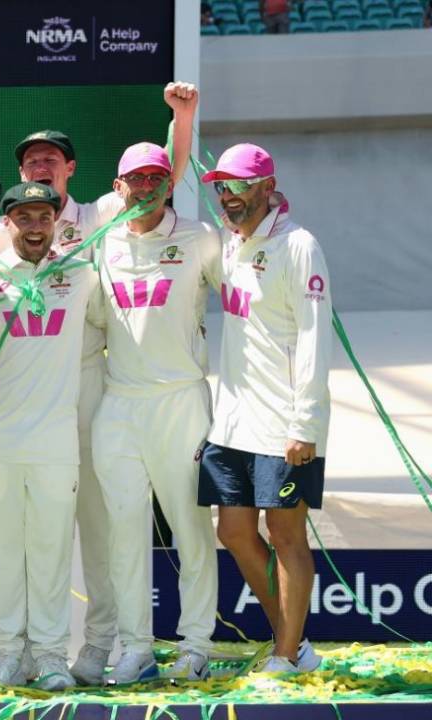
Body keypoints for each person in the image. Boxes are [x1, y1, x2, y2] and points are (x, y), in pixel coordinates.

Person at [5, 82, 199, 686]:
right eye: (31, 161)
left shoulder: (98, 217)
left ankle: (98, 646)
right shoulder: (10, 225)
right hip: (33, 387)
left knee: (99, 521)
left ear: (70, 169)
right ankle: (30, 648)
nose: (40, 166)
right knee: (37, 525)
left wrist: (183, 118)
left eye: (50, 158)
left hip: (92, 378)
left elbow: (163, 178)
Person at [93, 142, 221, 684]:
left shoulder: (200, 238)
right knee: (123, 533)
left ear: (170, 184)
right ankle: (136, 648)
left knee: (190, 528)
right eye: (135, 179)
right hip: (119, 402)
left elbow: (246, 301)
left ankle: (196, 646)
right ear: (117, 187)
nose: (145, 188)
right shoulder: (102, 241)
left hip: (180, 401)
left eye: (156, 178)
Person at [199, 144, 330, 674]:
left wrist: (306, 424)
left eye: (238, 185)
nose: (227, 196)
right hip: (232, 422)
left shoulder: (299, 245)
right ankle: (294, 643)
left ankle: (285, 654)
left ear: (267, 187)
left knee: (286, 535)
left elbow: (316, 340)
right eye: (221, 187)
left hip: (284, 424)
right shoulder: (230, 243)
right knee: (232, 532)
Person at [0, 182, 102, 692]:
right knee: (2, 554)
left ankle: (49, 657)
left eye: (43, 217)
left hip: (54, 441)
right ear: (6, 224)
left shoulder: (80, 271)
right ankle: (5, 653)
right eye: (23, 217)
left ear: (55, 223)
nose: (34, 226)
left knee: (50, 553)